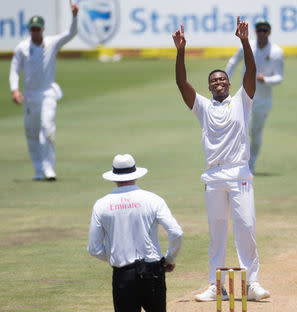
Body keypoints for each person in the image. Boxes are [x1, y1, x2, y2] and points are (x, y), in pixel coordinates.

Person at [172, 17, 270, 302]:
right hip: (213, 177)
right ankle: (218, 286)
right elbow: (181, 82)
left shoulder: (242, 101)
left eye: (222, 79)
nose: (218, 83)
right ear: (210, 86)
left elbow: (251, 69)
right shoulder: (202, 107)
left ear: (229, 83)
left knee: (246, 228)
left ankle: (251, 284)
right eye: (214, 80)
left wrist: (244, 41)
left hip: (239, 173)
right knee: (216, 234)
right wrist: (181, 51)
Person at [88, 153, 183, 312]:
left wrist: (115, 257)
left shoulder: (101, 205)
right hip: (153, 271)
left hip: (123, 274)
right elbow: (176, 232)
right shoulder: (153, 199)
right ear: (136, 175)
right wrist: (169, 258)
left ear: (114, 177)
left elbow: (94, 248)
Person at [9, 3, 79, 181]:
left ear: (43, 29)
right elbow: (15, 69)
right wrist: (15, 89)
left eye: (37, 29)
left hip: (47, 93)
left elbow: (71, 34)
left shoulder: (52, 43)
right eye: (32, 29)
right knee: (31, 133)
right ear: (29, 30)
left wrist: (75, 17)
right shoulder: (22, 48)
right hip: (30, 97)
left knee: (47, 128)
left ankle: (49, 169)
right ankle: (38, 170)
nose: (35, 32)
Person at [225, 19, 284, 174]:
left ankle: (251, 164)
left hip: (263, 100)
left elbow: (279, 77)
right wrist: (226, 80)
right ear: (256, 32)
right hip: (244, 95)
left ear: (269, 32)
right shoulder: (248, 45)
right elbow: (233, 62)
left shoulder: (276, 52)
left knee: (255, 131)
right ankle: (238, 163)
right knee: (240, 129)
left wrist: (266, 80)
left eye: (265, 30)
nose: (262, 33)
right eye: (259, 30)